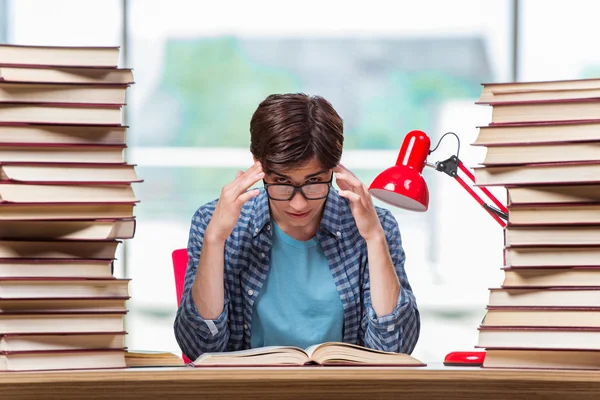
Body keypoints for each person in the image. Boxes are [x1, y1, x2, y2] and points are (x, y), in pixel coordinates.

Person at [174, 93, 420, 360]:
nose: (299, 203)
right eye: (282, 181)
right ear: (258, 164)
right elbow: (200, 349)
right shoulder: (212, 221)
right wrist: (215, 238)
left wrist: (374, 238)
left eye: (314, 181)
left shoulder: (376, 224)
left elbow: (393, 350)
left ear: (334, 170)